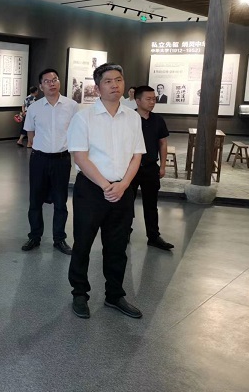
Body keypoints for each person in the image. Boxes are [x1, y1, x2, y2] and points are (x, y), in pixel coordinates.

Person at [67, 63, 146, 320]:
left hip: (122, 189)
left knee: (117, 246)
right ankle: (80, 293)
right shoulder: (84, 117)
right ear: (98, 87)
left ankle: (114, 294)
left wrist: (123, 185)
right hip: (91, 189)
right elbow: (80, 157)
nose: (115, 85)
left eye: (119, 80)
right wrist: (105, 185)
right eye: (108, 81)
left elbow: (137, 156)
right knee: (83, 243)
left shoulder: (133, 117)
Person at [21, 69, 78, 255]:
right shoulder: (34, 108)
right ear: (41, 86)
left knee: (61, 202)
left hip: (62, 159)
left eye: (54, 80)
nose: (51, 83)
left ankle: (59, 239)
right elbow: (30, 134)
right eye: (47, 81)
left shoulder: (72, 106)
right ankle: (34, 236)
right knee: (35, 201)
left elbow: (77, 131)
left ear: (59, 82)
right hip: (39, 159)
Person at [130, 85, 174, 250]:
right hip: (130, 168)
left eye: (154, 99)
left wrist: (162, 166)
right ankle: (124, 232)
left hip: (150, 168)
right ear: (138, 100)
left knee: (151, 204)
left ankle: (153, 236)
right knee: (127, 203)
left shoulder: (158, 120)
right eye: (148, 99)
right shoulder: (129, 118)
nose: (152, 102)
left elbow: (162, 143)